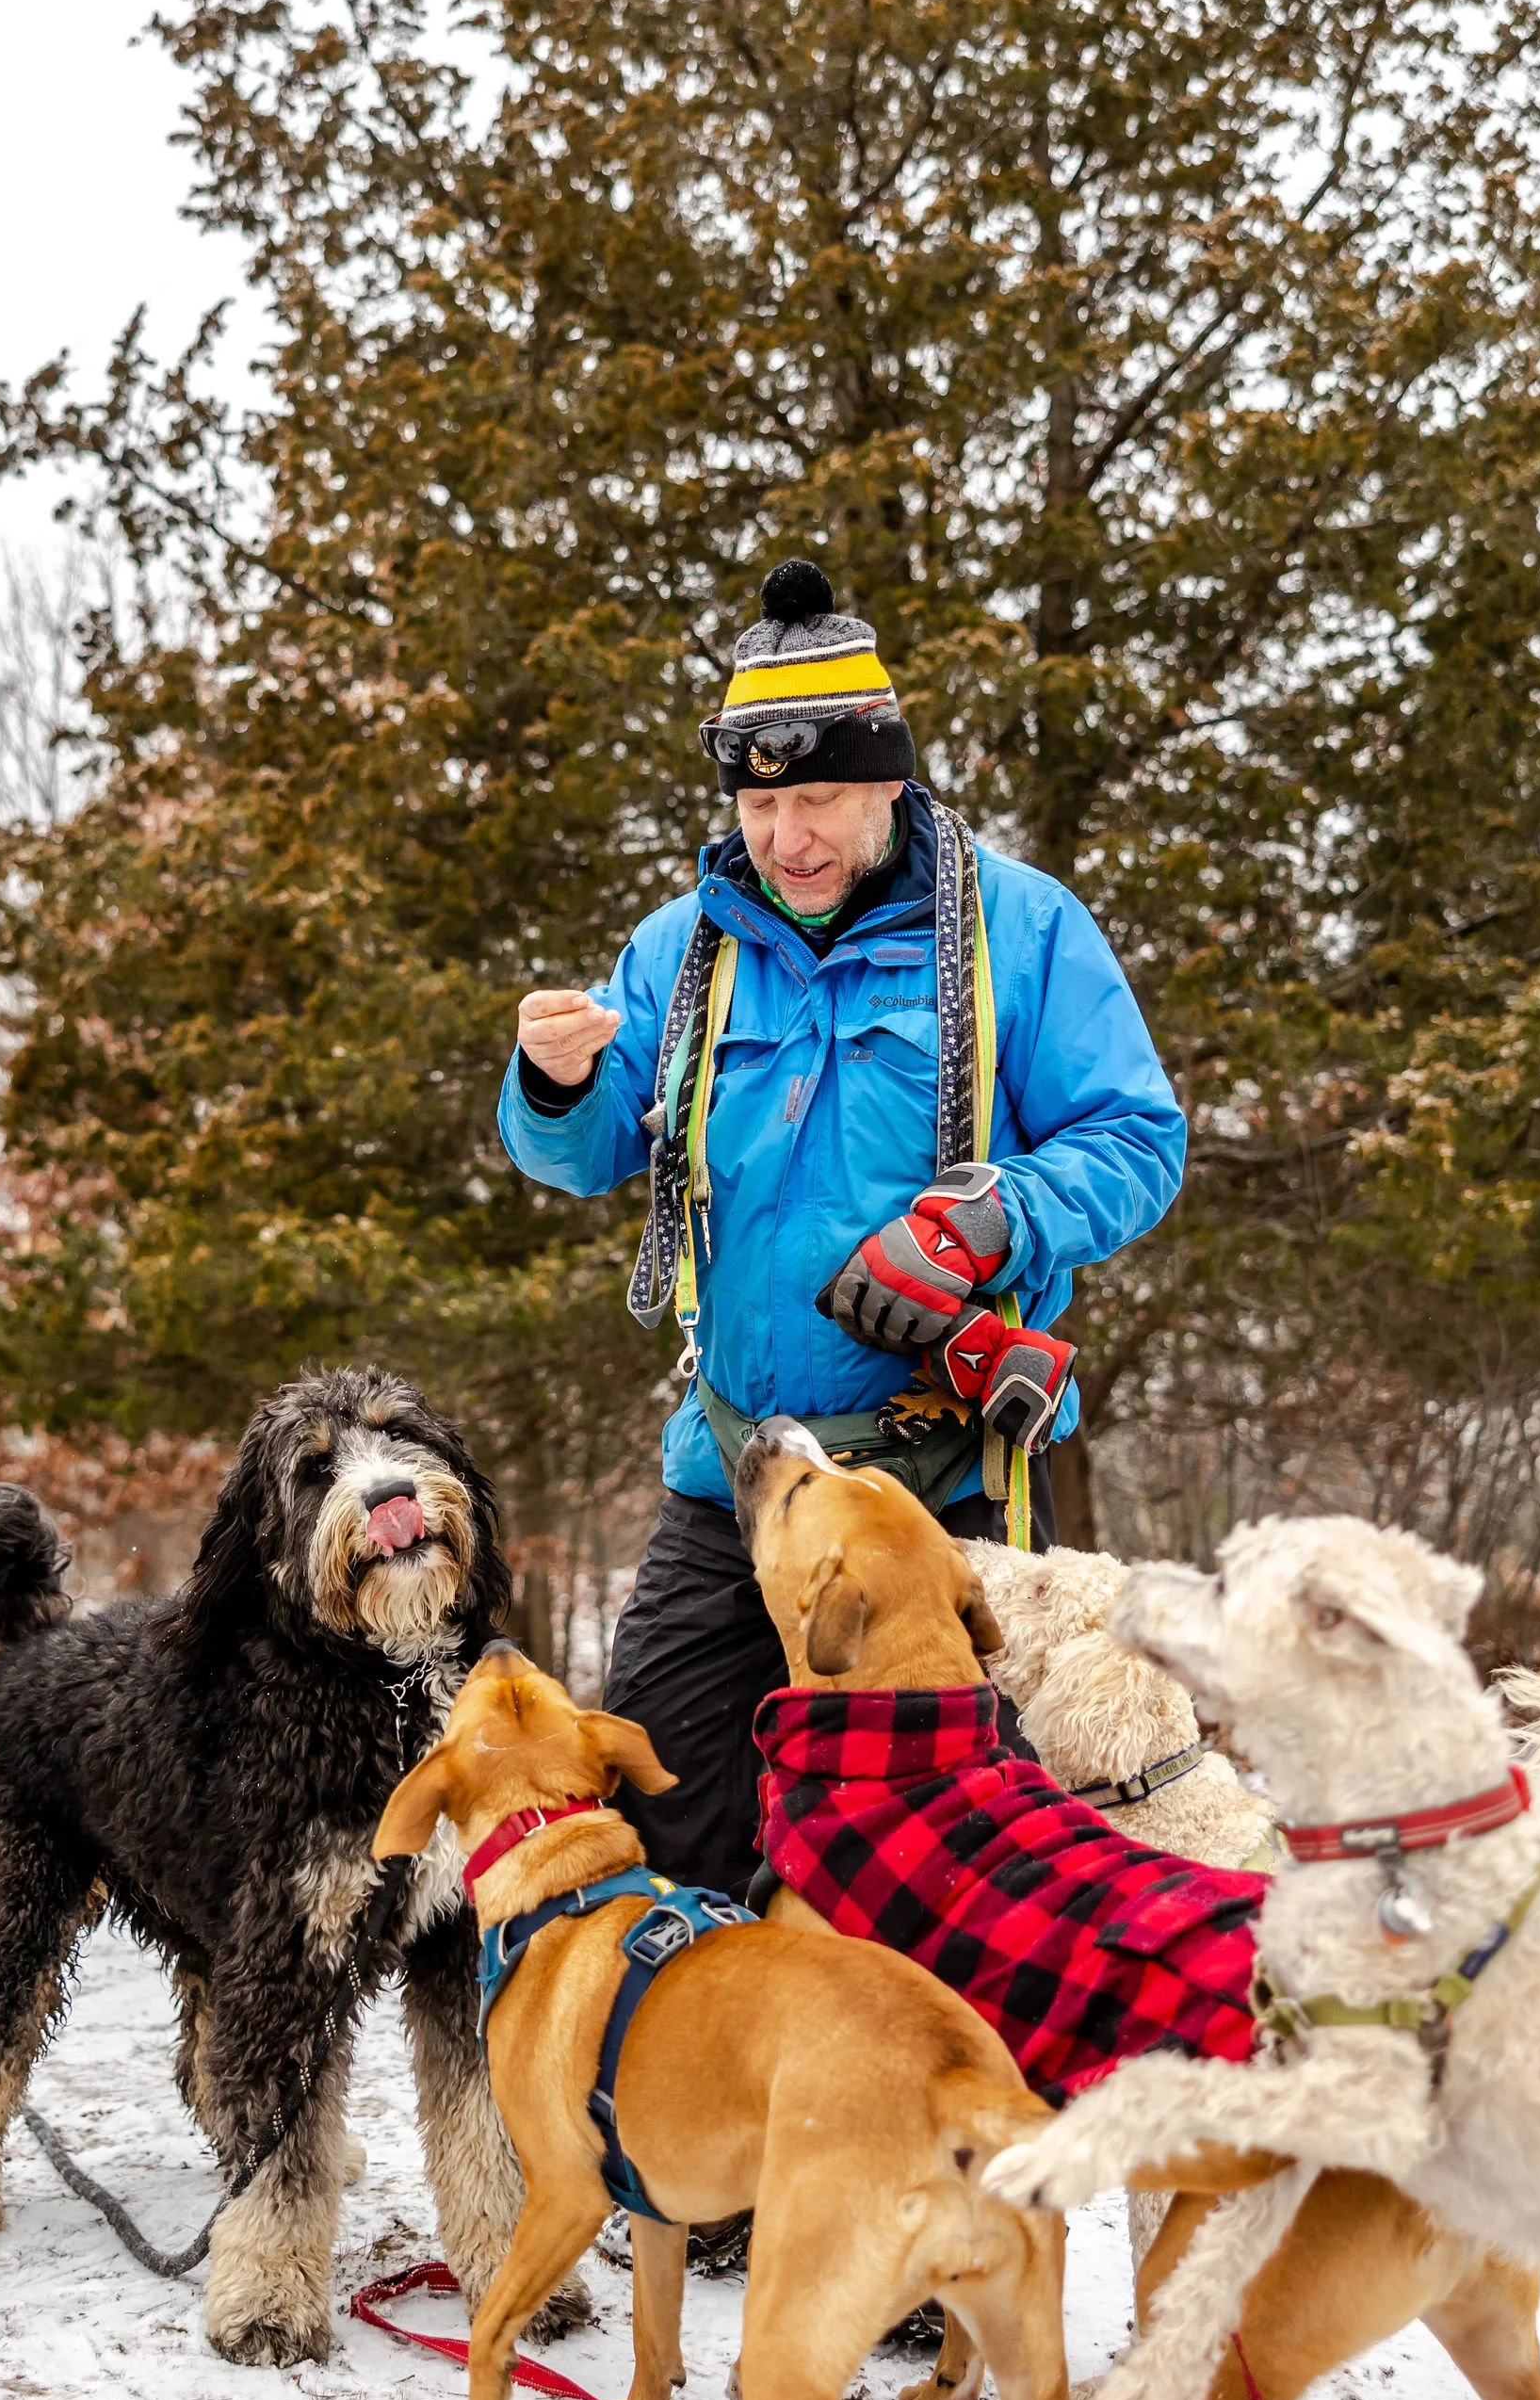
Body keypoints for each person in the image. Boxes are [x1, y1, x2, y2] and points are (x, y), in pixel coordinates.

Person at [499, 559, 1185, 1899]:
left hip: (947, 1496)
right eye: (761, 803)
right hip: (738, 1476)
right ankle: (680, 2100)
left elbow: (1139, 1142)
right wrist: (556, 1081)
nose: (789, 835)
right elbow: (577, 1159)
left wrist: (1005, 1214)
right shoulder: (680, 951)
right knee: (656, 1829)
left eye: (817, 797)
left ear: (889, 786)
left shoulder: (1020, 932)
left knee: (957, 1873)